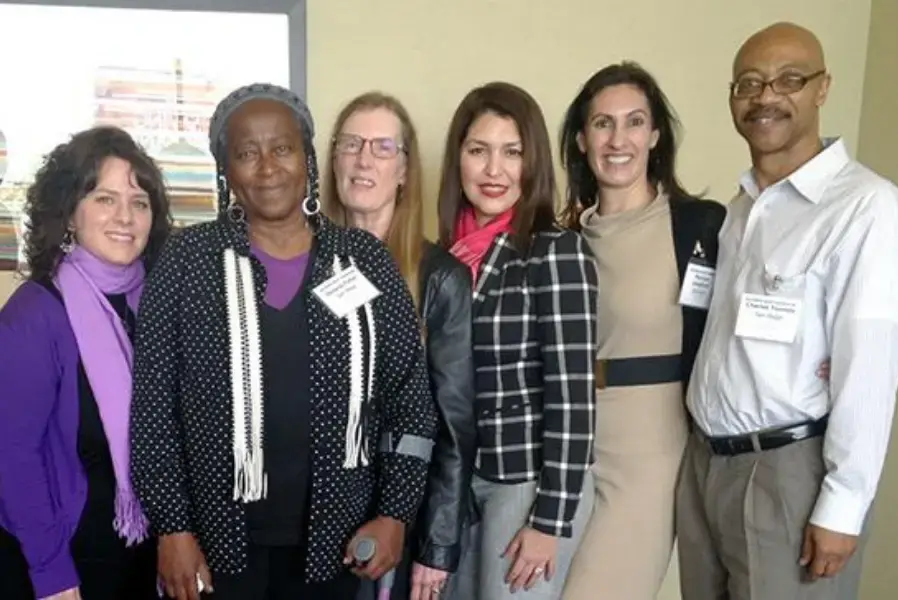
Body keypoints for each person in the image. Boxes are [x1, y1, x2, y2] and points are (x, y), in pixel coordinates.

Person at [129, 83, 439, 600]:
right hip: (215, 545)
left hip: (335, 544)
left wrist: (394, 514)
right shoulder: (187, 261)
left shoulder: (363, 260)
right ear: (226, 170)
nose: (267, 167)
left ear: (308, 158)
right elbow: (154, 410)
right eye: (247, 153)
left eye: (282, 148)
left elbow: (410, 405)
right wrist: (172, 527)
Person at [678, 22, 898, 600]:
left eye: (788, 80)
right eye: (748, 84)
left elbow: (870, 366)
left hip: (788, 474)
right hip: (705, 467)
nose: (766, 96)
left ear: (822, 89)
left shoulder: (866, 208)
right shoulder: (736, 212)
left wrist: (844, 505)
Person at [555, 62, 726, 600]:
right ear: (583, 140)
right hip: (565, 446)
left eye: (634, 122)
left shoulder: (698, 226)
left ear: (654, 135)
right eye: (602, 124)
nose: (618, 138)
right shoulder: (562, 241)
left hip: (648, 452)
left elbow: (752, 308)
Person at [438, 81, 598, 600]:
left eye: (513, 153)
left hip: (525, 482)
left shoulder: (556, 251)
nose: (493, 170)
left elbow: (574, 398)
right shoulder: (444, 256)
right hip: (460, 482)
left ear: (533, 164)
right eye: (478, 150)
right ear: (457, 158)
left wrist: (550, 520)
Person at [0, 126, 171, 600]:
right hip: (62, 568)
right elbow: (12, 459)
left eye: (139, 202)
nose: (125, 216)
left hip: (139, 558)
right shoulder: (34, 315)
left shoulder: (154, 305)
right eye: (104, 199)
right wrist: (53, 575)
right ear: (70, 211)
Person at [322, 91, 476, 600]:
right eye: (351, 144)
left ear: (405, 169)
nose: (364, 158)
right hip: (317, 520)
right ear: (334, 160)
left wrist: (436, 546)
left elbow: (453, 425)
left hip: (402, 524)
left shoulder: (440, 278)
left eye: (383, 147)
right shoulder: (299, 268)